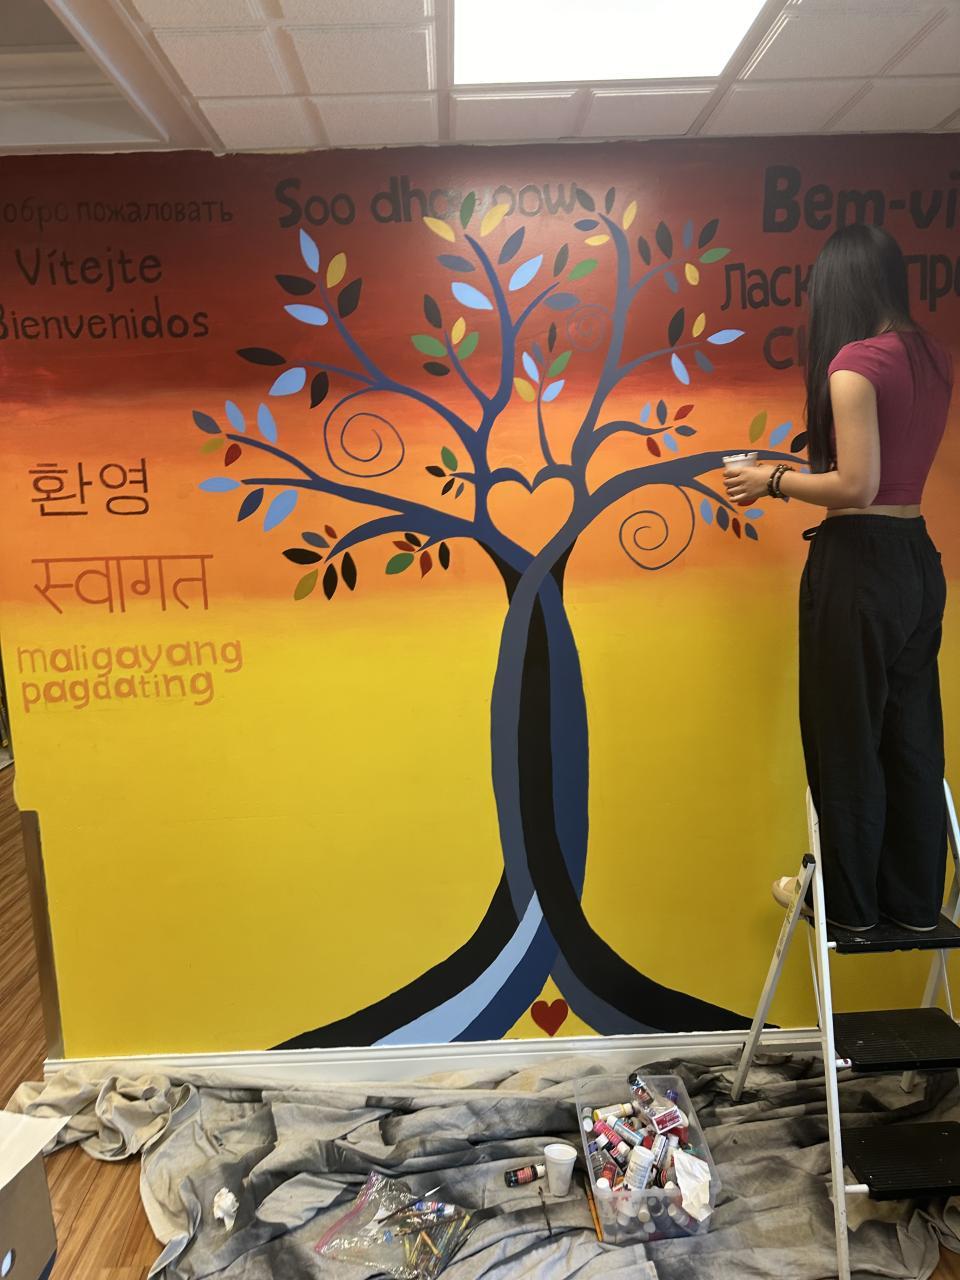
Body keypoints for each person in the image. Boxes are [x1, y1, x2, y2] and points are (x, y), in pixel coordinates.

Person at [723, 223, 953, 933]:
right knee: (910, 735)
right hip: (916, 557)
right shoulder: (933, 356)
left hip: (859, 564)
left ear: (838, 288)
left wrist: (772, 479)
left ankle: (847, 905)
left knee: (844, 733)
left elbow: (857, 485)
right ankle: (913, 902)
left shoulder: (855, 363)